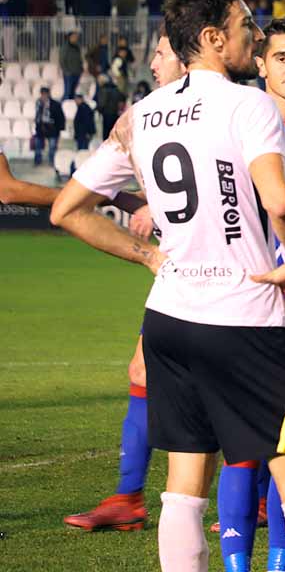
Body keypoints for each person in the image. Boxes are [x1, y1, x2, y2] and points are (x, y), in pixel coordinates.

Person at [50, 0, 285, 571]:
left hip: (169, 315)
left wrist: (149, 259)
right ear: (213, 39)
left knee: (184, 482)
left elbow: (66, 210)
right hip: (243, 317)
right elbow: (280, 203)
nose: (256, 36)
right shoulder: (249, 104)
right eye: (247, 26)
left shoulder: (143, 113)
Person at [207, 16, 285, 572]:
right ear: (260, 63)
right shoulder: (234, 128)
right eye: (281, 57)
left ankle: (278, 564)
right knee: (243, 451)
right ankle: (236, 565)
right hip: (245, 301)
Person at [62, 33, 185, 534]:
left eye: (161, 53)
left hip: (235, 271)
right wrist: (146, 206)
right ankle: (129, 498)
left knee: (231, 392)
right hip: (178, 270)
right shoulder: (142, 118)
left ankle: (265, 494)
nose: (151, 62)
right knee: (143, 371)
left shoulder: (234, 108)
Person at [33, 86, 65, 168]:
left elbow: (61, 117)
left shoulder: (55, 104)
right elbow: (37, 116)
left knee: (52, 146)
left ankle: (52, 161)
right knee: (37, 145)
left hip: (52, 128)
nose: (43, 96)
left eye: (45, 94)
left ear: (48, 94)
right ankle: (37, 160)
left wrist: (59, 129)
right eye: (42, 94)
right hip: (40, 127)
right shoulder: (38, 102)